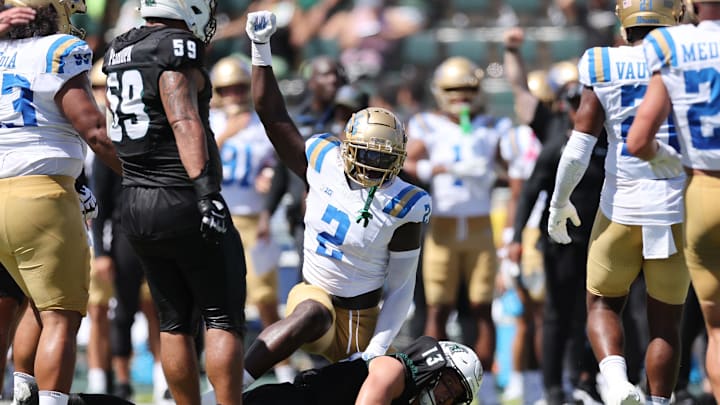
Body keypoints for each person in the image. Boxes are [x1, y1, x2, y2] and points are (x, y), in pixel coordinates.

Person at [243, 10, 431, 386]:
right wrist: (260, 48)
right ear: (347, 148)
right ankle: (230, 387)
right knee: (311, 313)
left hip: (363, 322)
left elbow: (401, 288)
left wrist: (377, 350)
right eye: (369, 153)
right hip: (314, 298)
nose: (375, 164)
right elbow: (271, 113)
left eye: (384, 157)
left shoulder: (406, 203)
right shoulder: (324, 158)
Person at [103, 1, 247, 404]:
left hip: (135, 198)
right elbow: (182, 117)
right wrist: (206, 193)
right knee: (221, 315)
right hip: (180, 194)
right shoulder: (176, 45)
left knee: (173, 320)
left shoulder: (120, 48)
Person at [548, 2, 689, 405]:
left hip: (621, 209)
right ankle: (659, 402)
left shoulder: (602, 62)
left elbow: (578, 148)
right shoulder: (689, 60)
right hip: (675, 210)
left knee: (603, 303)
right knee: (666, 323)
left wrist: (559, 204)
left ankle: (615, 378)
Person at [0, 0, 122, 403]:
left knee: (27, 304)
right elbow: (93, 128)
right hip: (40, 194)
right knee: (60, 316)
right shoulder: (59, 50)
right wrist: (144, 175)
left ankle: (20, 391)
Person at [504, 30, 605, 405]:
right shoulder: (554, 131)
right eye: (577, 101)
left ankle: (588, 382)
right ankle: (552, 389)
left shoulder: (607, 135)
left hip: (599, 241)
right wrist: (515, 237)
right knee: (556, 316)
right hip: (560, 241)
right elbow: (532, 189)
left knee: (595, 312)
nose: (584, 108)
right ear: (565, 104)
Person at [626, 0, 720, 401]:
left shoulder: (671, 43)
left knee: (717, 330)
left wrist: (672, 163)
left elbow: (639, 140)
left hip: (703, 189)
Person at [401, 55, 508, 404]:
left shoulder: (492, 125)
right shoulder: (426, 125)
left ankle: (486, 386)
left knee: (482, 307)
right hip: (443, 226)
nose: (461, 97)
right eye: (453, 89)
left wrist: (491, 168)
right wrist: (437, 167)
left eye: (467, 89)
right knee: (438, 307)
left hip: (478, 224)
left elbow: (512, 167)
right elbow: (407, 161)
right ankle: (430, 381)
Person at [208, 55, 297, 384]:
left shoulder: (262, 124)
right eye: (226, 89)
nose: (233, 96)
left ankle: (284, 369)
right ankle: (220, 370)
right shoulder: (209, 120)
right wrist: (224, 136)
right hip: (216, 219)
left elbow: (280, 168)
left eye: (239, 88)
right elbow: (196, 162)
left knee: (264, 298)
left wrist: (269, 177)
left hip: (254, 220)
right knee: (218, 301)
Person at [239, 336, 482, 405]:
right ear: (437, 368)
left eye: (455, 395)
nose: (447, 397)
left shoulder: (409, 392)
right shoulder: (394, 371)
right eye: (449, 384)